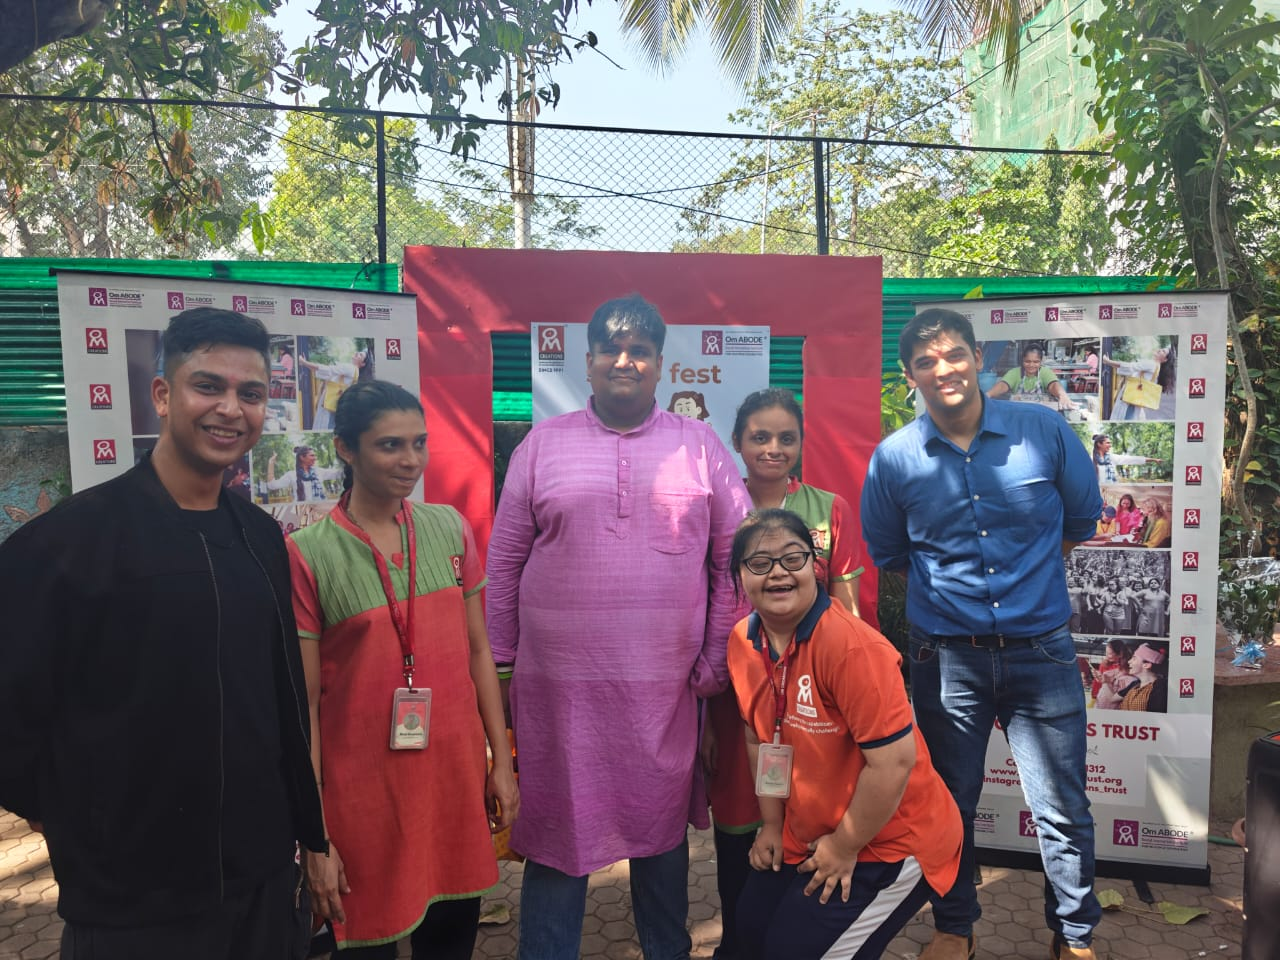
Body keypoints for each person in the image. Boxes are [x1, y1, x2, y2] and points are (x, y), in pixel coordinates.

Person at [0, 307, 326, 960]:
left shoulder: (262, 537)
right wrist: (77, 817)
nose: (230, 409)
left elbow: (285, 701)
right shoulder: (67, 543)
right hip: (131, 900)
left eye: (250, 393)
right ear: (162, 395)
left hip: (262, 881)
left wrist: (311, 840)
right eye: (208, 386)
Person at [486, 294, 751, 960]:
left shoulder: (699, 445)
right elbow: (506, 557)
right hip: (559, 692)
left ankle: (666, 951)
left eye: (639, 350)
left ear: (660, 364)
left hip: (662, 693)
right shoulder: (543, 444)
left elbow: (735, 558)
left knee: (659, 834)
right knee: (558, 831)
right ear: (589, 361)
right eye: (611, 348)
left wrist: (715, 659)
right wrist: (501, 663)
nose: (624, 360)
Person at [861, 308, 1103, 960]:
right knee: (948, 805)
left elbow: (1081, 519)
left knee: (1062, 807)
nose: (943, 369)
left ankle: (1074, 936)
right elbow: (892, 553)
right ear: (910, 375)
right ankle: (955, 928)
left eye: (953, 354)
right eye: (926, 361)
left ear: (976, 357)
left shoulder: (1043, 431)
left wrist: (1026, 581)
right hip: (946, 660)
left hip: (1041, 652)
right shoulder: (894, 458)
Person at [288, 380, 517, 958]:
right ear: (345, 449)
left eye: (419, 442)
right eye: (390, 445)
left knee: (452, 934)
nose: (411, 459)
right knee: (369, 938)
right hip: (363, 795)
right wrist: (315, 834)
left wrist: (501, 762)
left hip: (453, 781)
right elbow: (305, 703)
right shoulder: (309, 553)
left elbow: (479, 652)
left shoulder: (448, 528)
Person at [725, 508, 962, 960]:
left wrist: (843, 846)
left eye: (792, 558)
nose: (778, 572)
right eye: (759, 562)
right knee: (750, 931)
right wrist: (771, 825)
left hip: (891, 839)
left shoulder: (852, 647)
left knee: (794, 951)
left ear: (814, 566)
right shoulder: (743, 642)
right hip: (812, 830)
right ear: (739, 575)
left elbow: (893, 763)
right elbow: (761, 739)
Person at [703, 388, 865, 960]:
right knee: (741, 823)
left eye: (786, 438)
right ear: (737, 442)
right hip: (738, 698)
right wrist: (704, 717)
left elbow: (848, 607)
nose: (773, 448)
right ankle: (738, 941)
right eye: (760, 437)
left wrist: (851, 691)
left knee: (808, 812)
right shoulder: (717, 507)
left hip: (815, 698)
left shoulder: (830, 508)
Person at [300, 347, 371, 430]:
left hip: (329, 402)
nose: (357, 353)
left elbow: (327, 370)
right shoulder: (355, 373)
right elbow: (325, 372)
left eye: (360, 355)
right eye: (359, 352)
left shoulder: (350, 368)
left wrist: (304, 362)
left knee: (323, 425)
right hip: (333, 404)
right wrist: (305, 364)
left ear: (363, 364)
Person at [986, 343, 1073, 410]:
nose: (1031, 365)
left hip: (1040, 411)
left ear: (1041, 361)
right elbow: (1003, 385)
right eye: (1027, 361)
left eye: (1036, 362)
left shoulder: (1045, 372)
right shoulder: (1014, 372)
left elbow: (1053, 385)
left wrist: (1062, 395)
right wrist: (988, 395)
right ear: (1022, 360)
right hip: (1019, 411)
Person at [1102, 344, 1176, 420]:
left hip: (1132, 396)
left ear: (1165, 359)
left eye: (1163, 351)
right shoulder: (1157, 367)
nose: (1160, 350)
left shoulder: (1151, 364)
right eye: (1161, 349)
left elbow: (1129, 367)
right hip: (1137, 397)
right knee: (1130, 416)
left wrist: (1108, 361)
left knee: (1125, 416)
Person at [265, 445, 343, 502]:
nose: (315, 458)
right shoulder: (291, 475)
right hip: (301, 512)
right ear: (302, 457)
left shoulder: (319, 471)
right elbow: (272, 485)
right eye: (312, 455)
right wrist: (271, 463)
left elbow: (339, 473)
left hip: (320, 510)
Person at [1091, 434, 1161, 485]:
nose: (1110, 445)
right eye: (1107, 443)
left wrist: (1153, 459)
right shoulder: (1091, 460)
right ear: (1099, 444)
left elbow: (1132, 459)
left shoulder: (1111, 458)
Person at [1118, 643, 1169, 712]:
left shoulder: (1159, 688)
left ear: (1146, 665)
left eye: (1134, 658)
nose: (1129, 661)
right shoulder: (1135, 685)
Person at [1092, 640, 1138, 710]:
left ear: (1120, 654)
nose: (1107, 656)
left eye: (1110, 653)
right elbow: (1102, 684)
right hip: (1101, 705)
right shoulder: (1107, 667)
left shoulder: (1131, 679)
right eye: (1106, 653)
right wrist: (1100, 679)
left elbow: (1114, 699)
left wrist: (1106, 682)